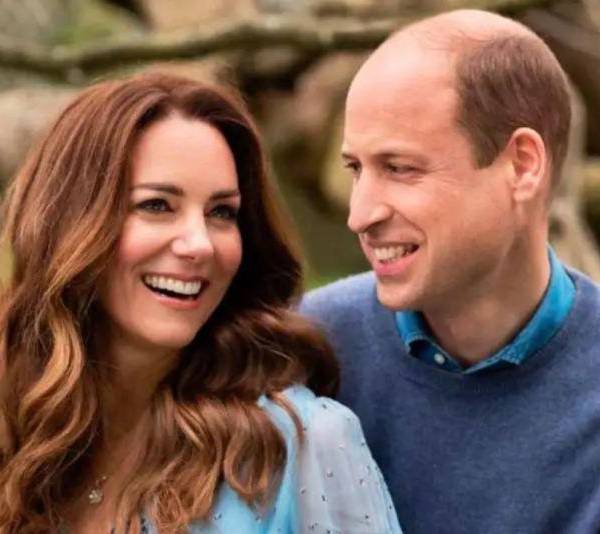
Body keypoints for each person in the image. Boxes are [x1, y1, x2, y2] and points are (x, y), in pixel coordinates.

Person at [0, 73, 401, 533]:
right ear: (67, 223)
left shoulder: (303, 442)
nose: (200, 244)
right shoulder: (14, 419)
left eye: (221, 213)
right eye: (157, 205)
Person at [300, 8, 600, 534]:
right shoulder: (305, 351)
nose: (359, 214)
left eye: (399, 168)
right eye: (356, 168)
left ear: (522, 165)